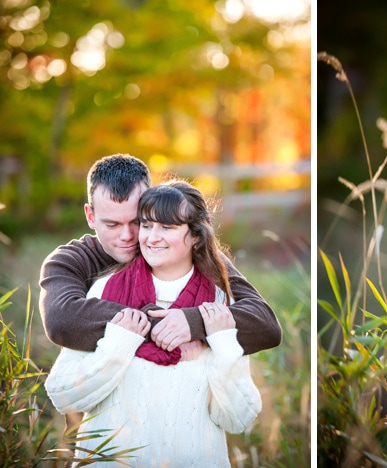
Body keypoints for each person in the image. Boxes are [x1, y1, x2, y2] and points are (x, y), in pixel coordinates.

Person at [45, 180, 262, 466]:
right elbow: (63, 396)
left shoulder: (219, 304)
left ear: (196, 236)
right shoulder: (103, 290)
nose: (150, 237)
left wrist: (220, 343)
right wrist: (120, 341)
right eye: (146, 225)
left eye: (167, 227)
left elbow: (237, 419)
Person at [39, 154, 281, 357]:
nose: (127, 236)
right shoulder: (69, 261)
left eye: (137, 222)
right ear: (90, 216)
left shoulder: (184, 251)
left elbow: (264, 324)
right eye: (112, 224)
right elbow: (62, 321)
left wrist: (191, 321)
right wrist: (167, 327)